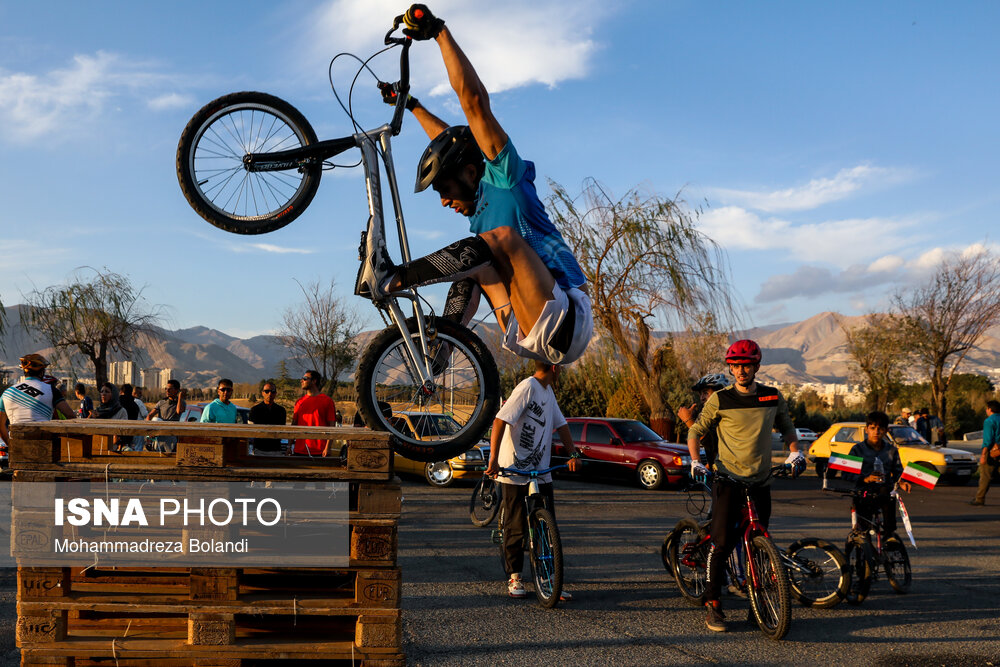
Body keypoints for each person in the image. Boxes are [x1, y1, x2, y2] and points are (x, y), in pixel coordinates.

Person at [359, 4, 593, 366]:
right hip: (526, 326)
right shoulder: (476, 210)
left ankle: (397, 277)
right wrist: (412, 105)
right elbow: (450, 143)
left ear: (471, 173)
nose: (443, 202)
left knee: (500, 240)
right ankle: (440, 352)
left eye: (444, 190)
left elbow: (473, 105)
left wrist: (439, 33)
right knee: (476, 261)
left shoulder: (506, 177)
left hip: (567, 318)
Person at [686, 340, 804, 633]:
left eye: (746, 365)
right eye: (736, 366)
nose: (741, 371)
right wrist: (695, 461)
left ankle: (759, 603)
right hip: (727, 481)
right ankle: (713, 604)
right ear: (731, 367)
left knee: (759, 542)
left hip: (761, 481)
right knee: (723, 543)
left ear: (756, 367)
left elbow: (787, 426)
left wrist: (794, 451)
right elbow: (695, 430)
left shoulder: (771, 397)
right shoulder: (720, 399)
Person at [485, 361, 582, 599]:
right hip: (514, 469)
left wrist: (573, 454)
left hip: (540, 469)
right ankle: (515, 577)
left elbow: (562, 426)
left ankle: (549, 580)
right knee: (516, 526)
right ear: (555, 368)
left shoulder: (548, 392)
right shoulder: (527, 387)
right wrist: (494, 459)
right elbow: (500, 420)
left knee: (547, 528)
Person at [829, 411, 910, 534]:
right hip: (863, 492)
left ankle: (889, 539)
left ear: (886, 430)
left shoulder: (891, 450)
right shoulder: (857, 450)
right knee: (863, 530)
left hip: (884, 492)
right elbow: (846, 474)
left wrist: (902, 482)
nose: (876, 432)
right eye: (872, 428)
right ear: (867, 430)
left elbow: (898, 471)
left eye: (880, 429)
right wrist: (865, 478)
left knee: (889, 520)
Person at [0, 354, 75, 446]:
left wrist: (11, 445)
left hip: (17, 446)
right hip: (43, 446)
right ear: (42, 372)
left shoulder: (7, 393)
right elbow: (70, 415)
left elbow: (1, 425)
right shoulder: (51, 390)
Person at [677, 373, 730, 469]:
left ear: (719, 393)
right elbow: (714, 452)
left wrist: (688, 420)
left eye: (706, 393)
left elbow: (711, 442)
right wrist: (708, 466)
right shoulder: (709, 416)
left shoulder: (725, 417)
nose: (702, 398)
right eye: (700, 394)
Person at [292, 371, 338, 456]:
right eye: (302, 378)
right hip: (299, 450)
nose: (301, 380)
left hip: (320, 450)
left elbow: (332, 426)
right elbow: (294, 425)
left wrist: (328, 447)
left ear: (314, 381)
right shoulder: (299, 402)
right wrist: (289, 446)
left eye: (305, 379)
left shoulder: (327, 401)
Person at [971, 400, 1000, 506]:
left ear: (989, 409)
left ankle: (979, 498)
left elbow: (987, 440)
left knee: (985, 476)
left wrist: (983, 455)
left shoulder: (989, 421)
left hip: (993, 451)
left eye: (987, 408)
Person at [146, 379, 187, 453]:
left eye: (170, 389)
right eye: (166, 389)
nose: (167, 391)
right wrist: (150, 432)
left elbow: (178, 411)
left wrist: (180, 397)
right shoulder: (161, 402)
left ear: (176, 390)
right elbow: (149, 416)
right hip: (160, 435)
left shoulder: (181, 403)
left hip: (172, 436)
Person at [249, 381, 287, 454]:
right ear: (262, 393)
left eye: (272, 391)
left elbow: (282, 429)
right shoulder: (255, 410)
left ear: (275, 393)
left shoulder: (281, 410)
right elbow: (251, 431)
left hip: (276, 449)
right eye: (267, 391)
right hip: (259, 449)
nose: (270, 394)